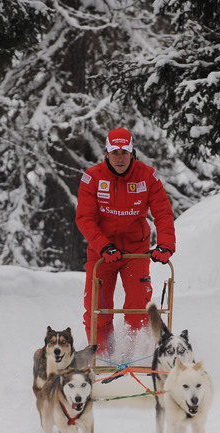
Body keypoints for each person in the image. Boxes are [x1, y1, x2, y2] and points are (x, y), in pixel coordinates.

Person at [75, 127, 176, 355]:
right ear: (107, 153)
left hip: (135, 251)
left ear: (132, 152)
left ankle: (135, 355)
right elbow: (85, 218)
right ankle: (101, 357)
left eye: (124, 152)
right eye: (115, 152)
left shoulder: (148, 176)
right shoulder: (92, 177)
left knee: (138, 307)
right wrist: (104, 246)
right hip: (102, 252)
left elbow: (163, 212)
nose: (120, 157)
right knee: (97, 307)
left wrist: (166, 244)